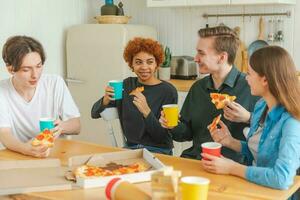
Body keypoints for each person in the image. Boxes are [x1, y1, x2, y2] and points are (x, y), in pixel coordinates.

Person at [201, 46, 300, 190]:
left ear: (265, 80)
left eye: (249, 74)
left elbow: (281, 178)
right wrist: (231, 142)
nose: (246, 79)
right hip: (253, 186)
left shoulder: (291, 122)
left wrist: (232, 168)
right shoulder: (261, 106)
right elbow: (260, 154)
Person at [160, 25, 259, 162]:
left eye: (201, 53)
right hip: (195, 160)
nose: (195, 58)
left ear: (222, 57)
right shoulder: (198, 88)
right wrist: (172, 125)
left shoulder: (251, 87)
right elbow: (185, 134)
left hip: (233, 167)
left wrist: (248, 117)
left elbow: (271, 132)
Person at [91, 37, 178, 155]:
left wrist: (146, 111)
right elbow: (94, 113)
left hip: (159, 150)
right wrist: (106, 99)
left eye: (150, 61)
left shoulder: (168, 91)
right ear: (131, 64)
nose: (144, 67)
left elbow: (162, 137)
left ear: (157, 63)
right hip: (130, 149)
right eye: (138, 62)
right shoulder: (126, 85)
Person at [0, 36, 81, 157]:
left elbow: (76, 125)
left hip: (55, 154)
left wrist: (62, 127)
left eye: (38, 66)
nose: (35, 75)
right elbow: (4, 134)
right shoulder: (2, 91)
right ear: (10, 69)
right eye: (26, 69)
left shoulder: (54, 83)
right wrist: (25, 149)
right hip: (19, 155)